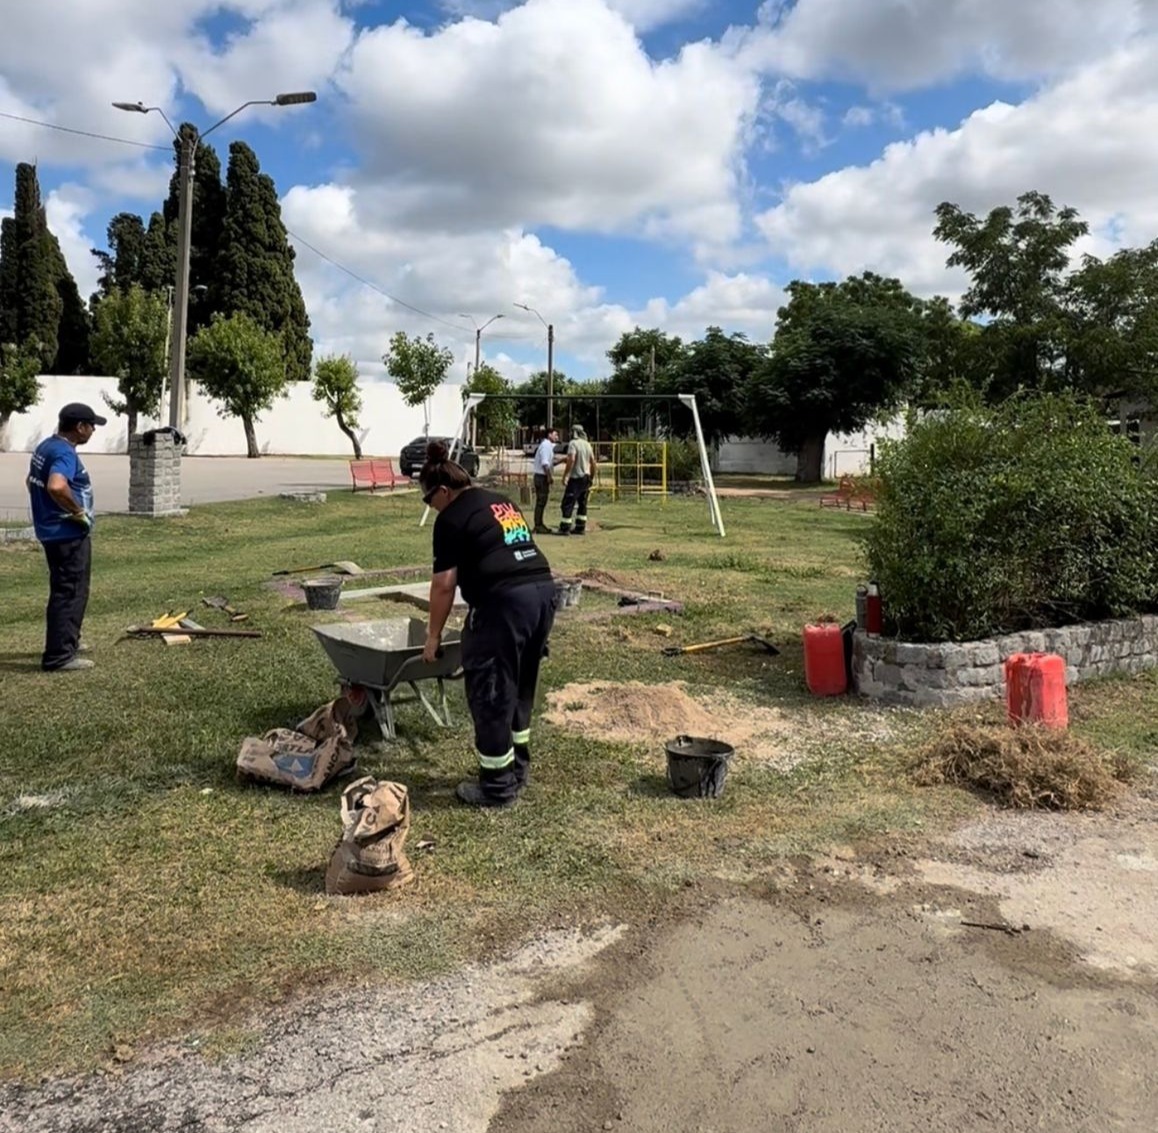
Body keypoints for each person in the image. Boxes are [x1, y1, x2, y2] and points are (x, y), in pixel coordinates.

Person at [419, 440, 557, 808]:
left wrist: (433, 636)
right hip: (542, 594)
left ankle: (497, 787)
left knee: (492, 689)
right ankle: (517, 769)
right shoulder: (501, 502)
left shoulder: (450, 518)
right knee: (520, 685)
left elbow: (444, 584)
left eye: (429, 500)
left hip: (505, 604)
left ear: (443, 491)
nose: (431, 507)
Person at [26, 402, 106, 672]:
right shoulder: (64, 453)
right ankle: (59, 656)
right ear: (80, 427)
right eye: (91, 425)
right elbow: (56, 486)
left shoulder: (46, 447)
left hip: (52, 531)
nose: (93, 430)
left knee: (67, 588)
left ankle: (69, 640)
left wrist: (47, 510)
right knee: (70, 591)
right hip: (67, 534)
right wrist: (77, 512)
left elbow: (31, 482)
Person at [558, 424, 595, 536]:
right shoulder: (588, 445)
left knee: (567, 503)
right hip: (586, 477)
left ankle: (565, 528)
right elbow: (593, 462)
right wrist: (591, 477)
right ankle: (580, 527)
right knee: (582, 503)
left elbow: (571, 459)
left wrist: (566, 475)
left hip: (576, 478)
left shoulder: (573, 444)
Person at [531, 426, 562, 534]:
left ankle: (539, 524)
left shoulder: (548, 446)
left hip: (541, 476)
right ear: (549, 435)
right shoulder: (545, 446)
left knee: (542, 502)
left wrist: (562, 460)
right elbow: (545, 464)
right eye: (555, 434)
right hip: (541, 477)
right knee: (541, 502)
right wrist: (549, 476)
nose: (557, 437)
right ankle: (538, 525)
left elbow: (550, 463)